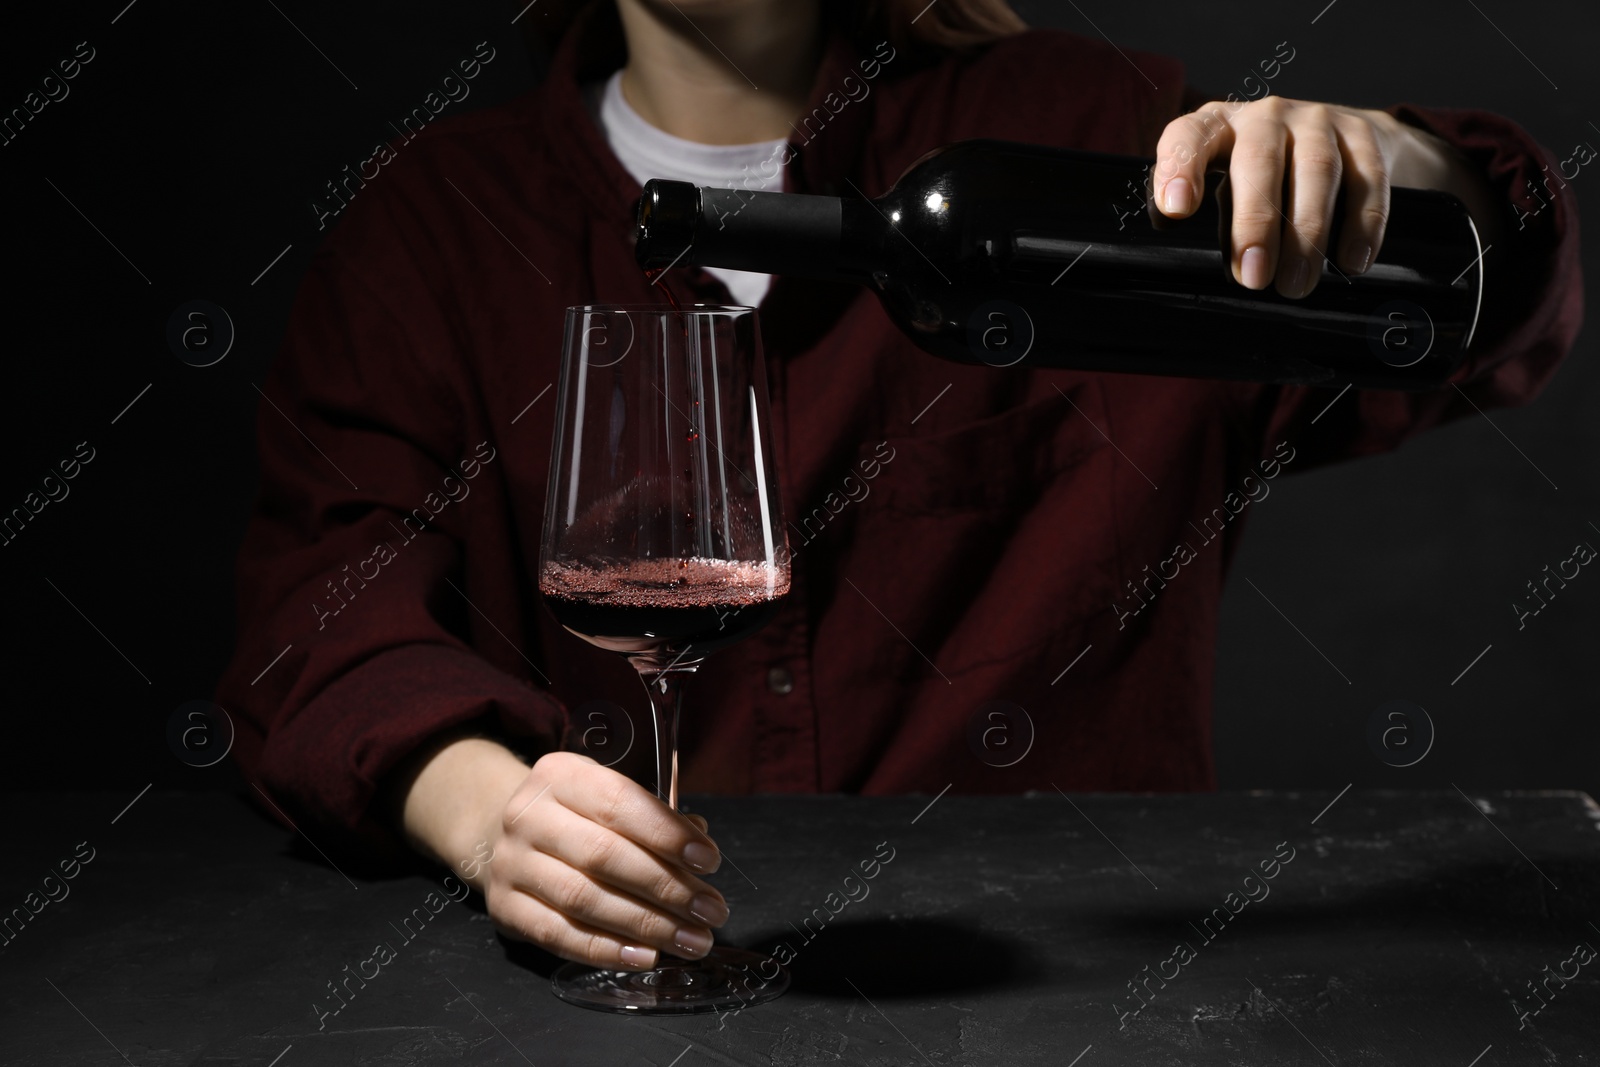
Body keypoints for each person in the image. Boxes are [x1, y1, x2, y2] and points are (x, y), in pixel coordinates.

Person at [217, 0, 1582, 975]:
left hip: (1093, 1002)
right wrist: (488, 814)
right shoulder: (433, 227)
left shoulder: (1092, 146)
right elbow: (315, 622)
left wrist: (1397, 180)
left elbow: (1478, 315)